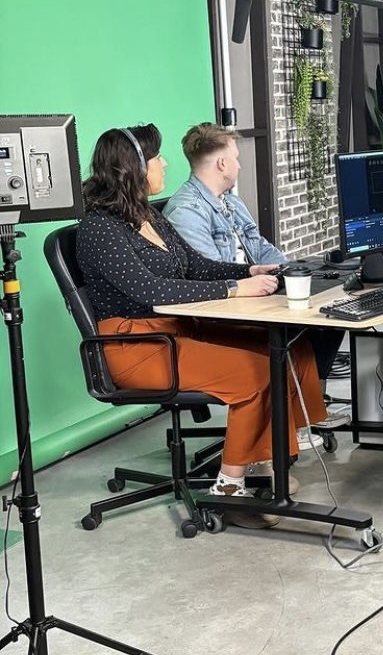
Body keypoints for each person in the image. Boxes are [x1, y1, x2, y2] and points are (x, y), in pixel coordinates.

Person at [75, 124, 328, 518]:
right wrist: (233, 289)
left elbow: (193, 265)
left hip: (176, 328)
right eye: (157, 158)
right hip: (136, 346)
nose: (164, 163)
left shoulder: (147, 216)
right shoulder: (98, 230)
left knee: (288, 346)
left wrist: (245, 271)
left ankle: (269, 459)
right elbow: (152, 290)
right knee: (254, 372)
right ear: (134, 168)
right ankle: (229, 485)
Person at [163, 123, 346, 439]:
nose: (239, 165)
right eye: (235, 157)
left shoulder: (229, 202)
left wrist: (292, 271)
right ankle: (295, 413)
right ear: (222, 163)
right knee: (311, 325)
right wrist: (253, 285)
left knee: (332, 313)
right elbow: (206, 272)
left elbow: (259, 245)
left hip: (253, 289)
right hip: (226, 308)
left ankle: (305, 406)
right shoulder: (185, 211)